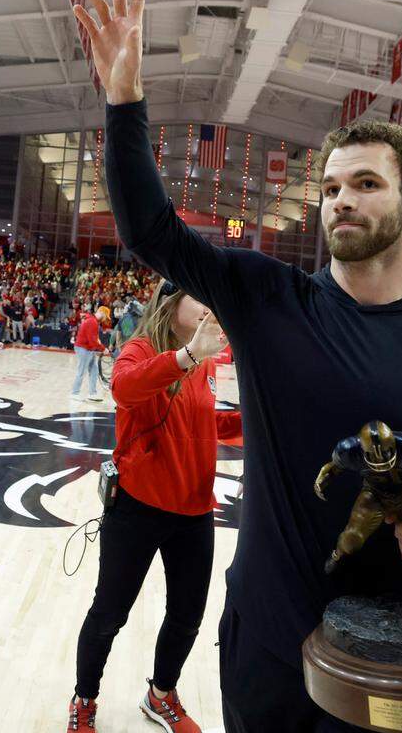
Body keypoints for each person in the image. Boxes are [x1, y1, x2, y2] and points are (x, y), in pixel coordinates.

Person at [75, 0, 402, 733]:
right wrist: (124, 102)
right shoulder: (267, 298)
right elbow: (148, 229)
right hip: (265, 636)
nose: (342, 200)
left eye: (365, 184)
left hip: (395, 657)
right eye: (331, 188)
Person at [68, 280, 239, 733]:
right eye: (199, 296)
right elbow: (125, 389)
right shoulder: (141, 349)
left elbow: (207, 419)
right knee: (109, 613)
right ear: (171, 303)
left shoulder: (205, 363)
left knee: (187, 616)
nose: (209, 306)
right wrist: (186, 357)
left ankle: (159, 696)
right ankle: (84, 699)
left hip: (196, 511)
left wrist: (255, 414)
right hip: (139, 508)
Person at [71, 303, 108, 401]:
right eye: (105, 317)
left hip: (88, 349)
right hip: (83, 348)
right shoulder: (92, 322)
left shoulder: (93, 321)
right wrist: (103, 349)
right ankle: (74, 393)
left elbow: (94, 339)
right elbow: (92, 341)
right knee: (81, 371)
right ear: (102, 313)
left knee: (94, 370)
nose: (105, 320)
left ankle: (92, 393)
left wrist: (99, 345)